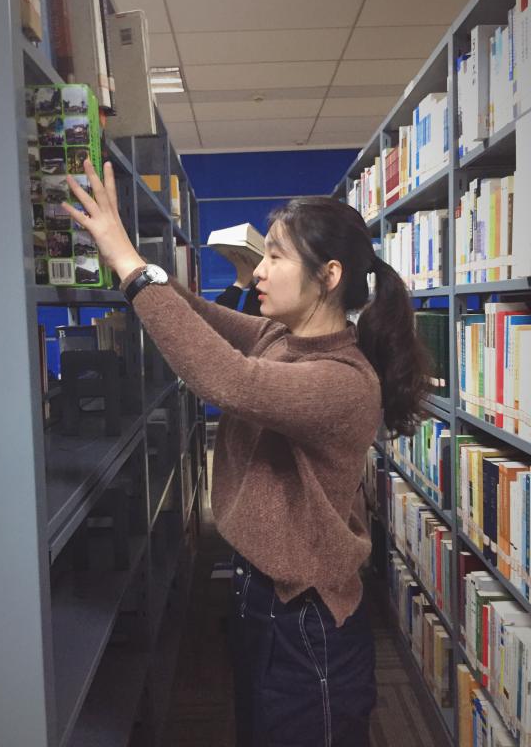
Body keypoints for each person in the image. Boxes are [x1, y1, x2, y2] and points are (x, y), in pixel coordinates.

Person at [63, 160, 429, 747]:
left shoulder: (343, 380)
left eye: (275, 256)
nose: (259, 270)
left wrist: (131, 268)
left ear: (329, 275)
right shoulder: (280, 336)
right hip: (262, 593)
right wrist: (134, 262)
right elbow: (201, 317)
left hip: (306, 614)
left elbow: (226, 380)